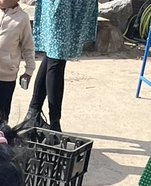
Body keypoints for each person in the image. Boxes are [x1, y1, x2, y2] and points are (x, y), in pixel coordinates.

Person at [20, 0, 98, 132]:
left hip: (70, 5)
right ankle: (54, 124)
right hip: (62, 5)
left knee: (54, 56)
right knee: (57, 59)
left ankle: (33, 114)